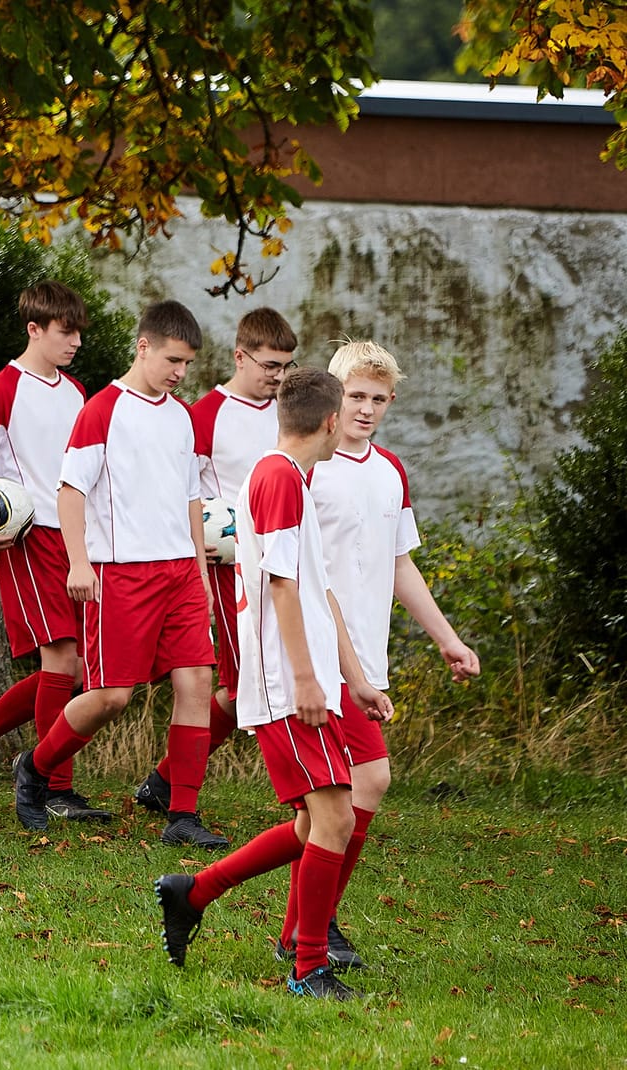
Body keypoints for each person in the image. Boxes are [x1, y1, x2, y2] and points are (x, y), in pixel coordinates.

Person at [153, 368, 393, 1001]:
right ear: (331, 422)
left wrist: (356, 680)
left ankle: (194, 891)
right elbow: (282, 587)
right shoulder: (279, 478)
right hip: (289, 689)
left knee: (313, 827)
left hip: (314, 683)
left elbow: (319, 593)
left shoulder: (291, 477)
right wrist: (308, 681)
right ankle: (308, 965)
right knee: (334, 820)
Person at [286, 340, 479, 968]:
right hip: (321, 656)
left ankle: (306, 923)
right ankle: (313, 928)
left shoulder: (390, 470)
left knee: (340, 802)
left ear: (391, 401)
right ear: (333, 400)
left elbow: (401, 566)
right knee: (359, 786)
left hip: (368, 654)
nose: (365, 409)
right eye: (355, 397)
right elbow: (298, 575)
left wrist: (448, 639)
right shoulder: (308, 469)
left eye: (377, 398)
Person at [10, 300, 227, 848]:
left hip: (179, 570)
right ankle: (34, 768)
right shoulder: (102, 409)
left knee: (197, 681)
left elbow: (191, 499)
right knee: (111, 697)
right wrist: (79, 562)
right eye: (173, 360)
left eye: (187, 365)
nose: (180, 374)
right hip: (120, 574)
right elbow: (69, 492)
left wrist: (200, 574)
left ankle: (183, 813)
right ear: (144, 346)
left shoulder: (180, 416)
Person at [0, 280, 106, 821]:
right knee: (61, 657)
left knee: (84, 667)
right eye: (66, 331)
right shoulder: (3, 389)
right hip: (28, 534)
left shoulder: (77, 392)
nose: (76, 341)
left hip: (76, 538)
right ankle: (53, 786)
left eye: (79, 331)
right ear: (34, 329)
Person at [136, 308, 297, 817]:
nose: (278, 376)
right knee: (243, 679)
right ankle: (173, 783)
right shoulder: (204, 413)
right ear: (240, 356)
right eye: (270, 365)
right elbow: (185, 491)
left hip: (285, 562)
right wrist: (198, 541)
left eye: (286, 367)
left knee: (257, 677)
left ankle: (166, 780)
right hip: (231, 568)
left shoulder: (290, 414)